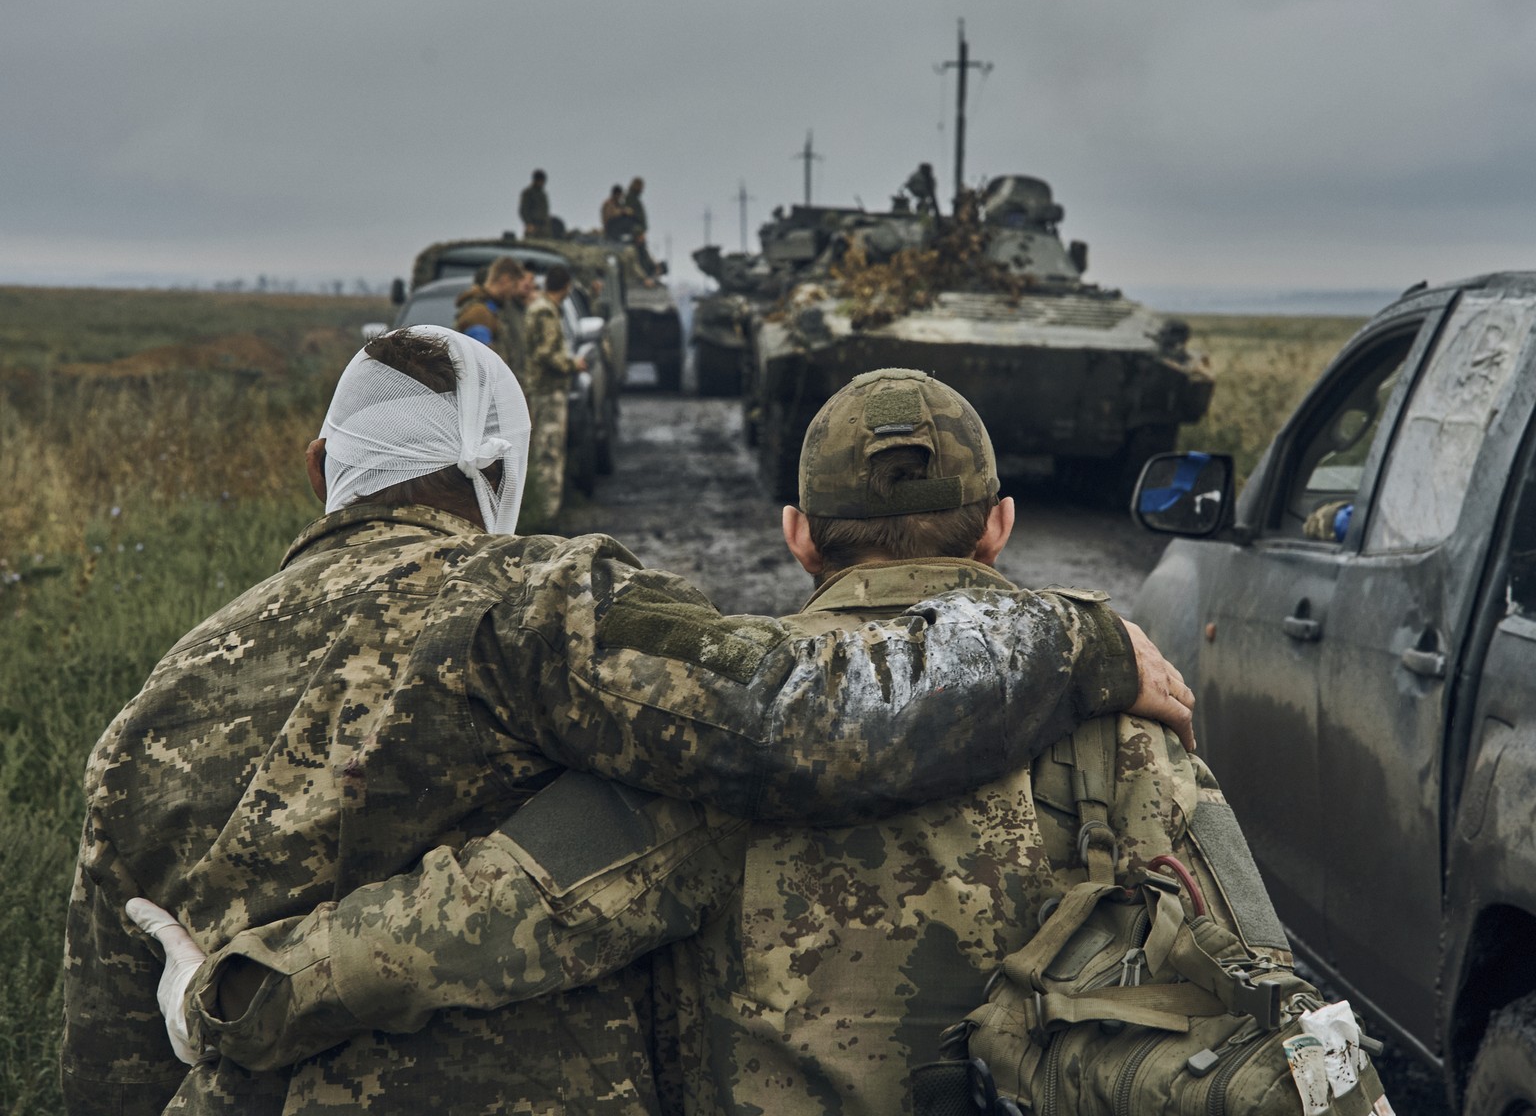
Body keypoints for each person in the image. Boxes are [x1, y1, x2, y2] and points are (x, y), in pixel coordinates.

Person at [63, 340, 1192, 1116]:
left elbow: (106, 1066)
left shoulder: (137, 724)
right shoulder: (543, 603)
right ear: (1000, 523)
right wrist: (1071, 642)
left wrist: (240, 996)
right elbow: (782, 712)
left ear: (799, 534)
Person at [524, 265, 578, 518]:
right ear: (565, 286)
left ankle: (543, 510)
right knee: (549, 452)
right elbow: (545, 352)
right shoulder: (545, 311)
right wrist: (571, 364)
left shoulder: (540, 308)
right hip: (548, 389)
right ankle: (547, 515)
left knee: (544, 450)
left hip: (541, 389)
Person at [454, 254, 528, 374]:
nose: (513, 292)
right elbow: (481, 364)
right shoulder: (480, 313)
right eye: (514, 285)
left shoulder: (491, 311)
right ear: (505, 279)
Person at [519, 168, 551, 238]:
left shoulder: (543, 194)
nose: (542, 183)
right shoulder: (528, 193)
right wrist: (528, 223)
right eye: (541, 181)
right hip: (533, 226)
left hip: (543, 227)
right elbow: (523, 210)